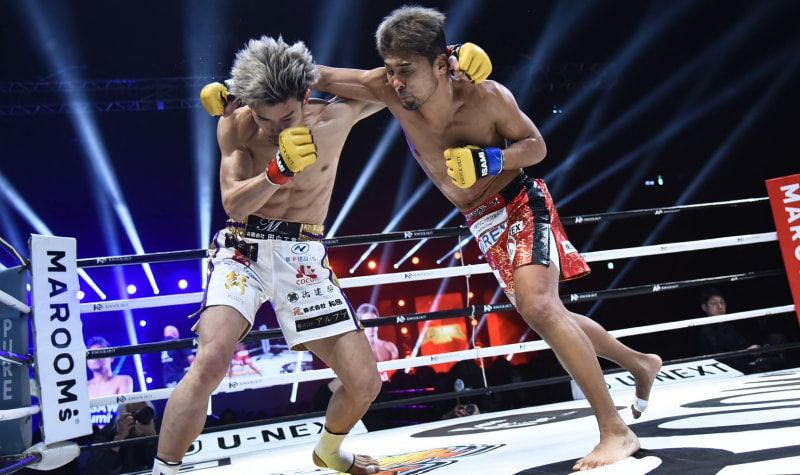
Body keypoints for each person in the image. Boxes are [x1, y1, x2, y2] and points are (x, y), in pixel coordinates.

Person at [312, 6, 664, 470]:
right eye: (390, 69)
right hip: (480, 220)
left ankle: (616, 430)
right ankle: (639, 363)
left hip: (519, 203)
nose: (395, 81)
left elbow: (536, 145)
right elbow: (318, 74)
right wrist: (245, 84)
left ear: (442, 63)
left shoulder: (487, 95)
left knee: (540, 307)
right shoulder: (388, 88)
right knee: (548, 313)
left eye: (406, 70)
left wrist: (489, 160)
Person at [150, 36, 387, 475]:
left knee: (364, 382)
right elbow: (234, 205)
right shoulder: (236, 125)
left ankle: (330, 452)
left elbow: (390, 86)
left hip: (303, 255)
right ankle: (164, 471)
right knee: (211, 360)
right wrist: (277, 172)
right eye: (265, 117)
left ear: (306, 97)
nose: (275, 128)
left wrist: (449, 65)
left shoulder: (334, 116)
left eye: (286, 117)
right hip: (244, 248)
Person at [697, 287, 760, 372]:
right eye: (714, 303)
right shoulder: (707, 332)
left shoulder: (729, 327)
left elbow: (744, 345)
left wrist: (755, 350)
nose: (720, 307)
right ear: (705, 307)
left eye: (722, 303)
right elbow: (721, 361)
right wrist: (748, 354)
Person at [87, 401, 159, 474]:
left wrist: (152, 437)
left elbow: (163, 466)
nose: (140, 419)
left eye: (144, 414)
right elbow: (94, 471)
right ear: (122, 418)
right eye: (135, 414)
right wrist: (119, 438)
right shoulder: (107, 434)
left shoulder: (157, 428)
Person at [87, 336, 134, 429]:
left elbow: (123, 414)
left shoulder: (123, 380)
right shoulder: (84, 387)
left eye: (100, 353)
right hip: (93, 435)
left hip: (116, 433)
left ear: (111, 357)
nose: (95, 358)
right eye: (91, 355)